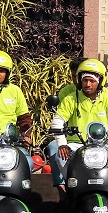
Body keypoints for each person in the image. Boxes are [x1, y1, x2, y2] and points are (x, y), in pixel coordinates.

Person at [49, 58, 108, 206]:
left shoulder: (107, 99)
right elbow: (57, 121)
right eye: (85, 80)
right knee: (59, 157)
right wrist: (62, 144)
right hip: (77, 144)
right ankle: (73, 182)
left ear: (100, 82)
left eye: (92, 81)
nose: (88, 84)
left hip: (102, 145)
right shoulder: (70, 99)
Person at [47, 56, 87, 191]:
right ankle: (63, 191)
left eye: (79, 76)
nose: (76, 80)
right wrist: (62, 142)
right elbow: (59, 120)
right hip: (69, 139)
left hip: (96, 141)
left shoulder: (102, 93)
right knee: (53, 149)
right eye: (73, 76)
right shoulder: (65, 92)